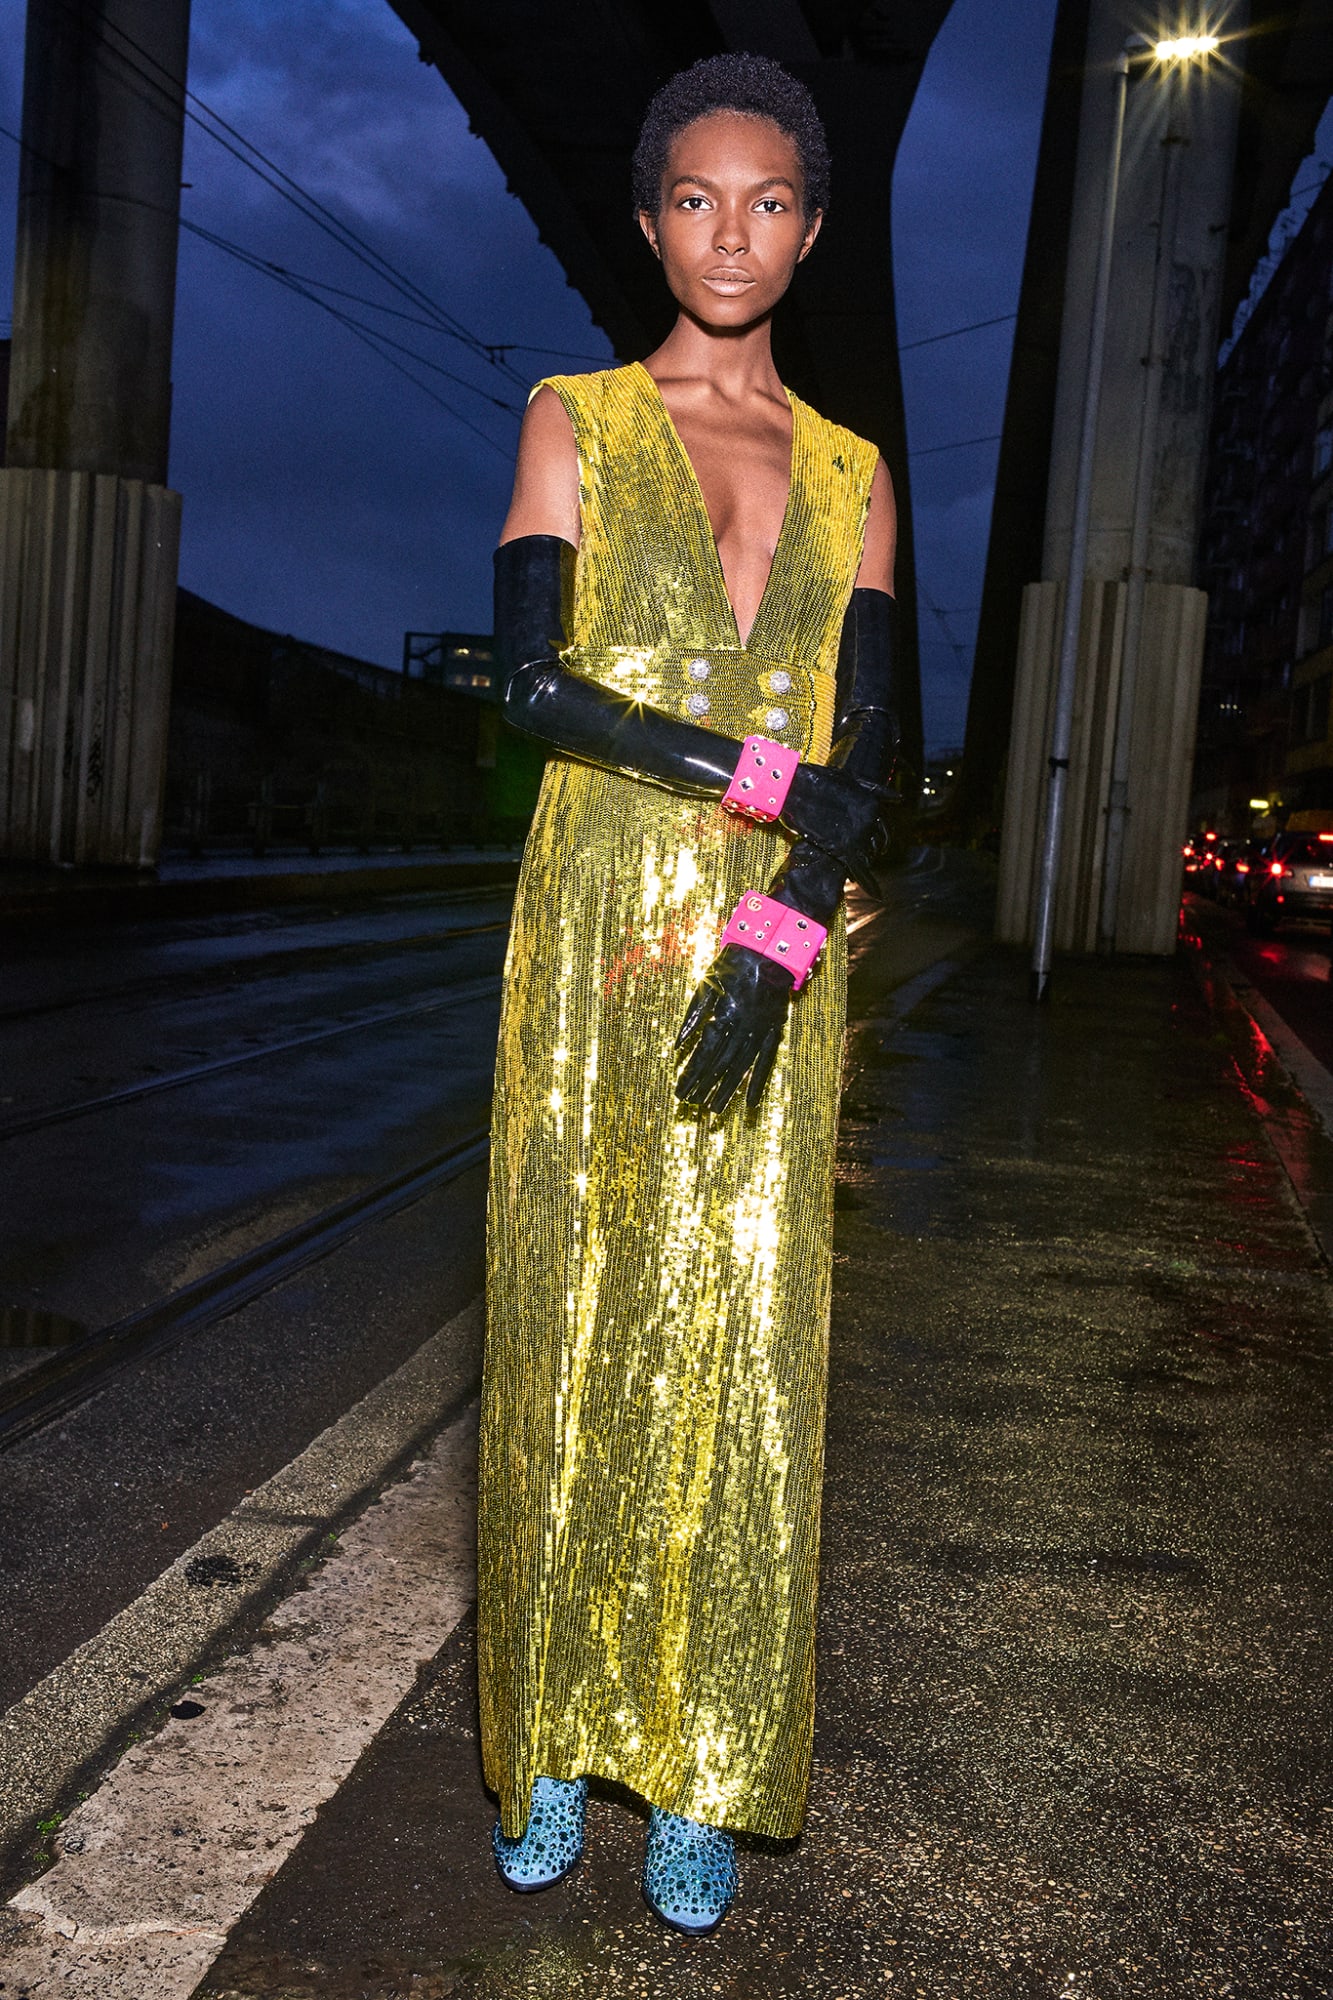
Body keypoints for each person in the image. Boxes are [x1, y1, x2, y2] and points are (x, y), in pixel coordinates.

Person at [477, 51, 898, 1936]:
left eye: (769, 202)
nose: (732, 234)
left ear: (809, 232)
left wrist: (784, 935)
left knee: (738, 1339)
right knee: (570, 1318)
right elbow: (531, 688)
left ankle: (700, 1772)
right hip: (593, 919)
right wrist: (758, 778)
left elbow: (868, 768)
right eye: (697, 200)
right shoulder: (572, 418)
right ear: (650, 223)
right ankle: (555, 1745)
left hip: (764, 949)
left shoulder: (853, 474)